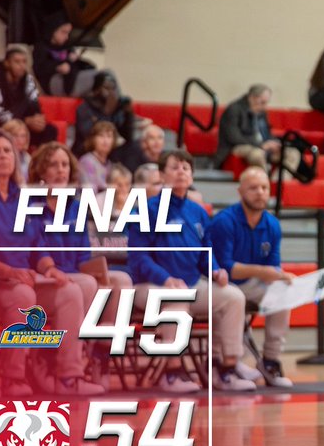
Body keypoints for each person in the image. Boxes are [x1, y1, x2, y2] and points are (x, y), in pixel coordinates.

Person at [0, 130, 99, 396]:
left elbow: (37, 246)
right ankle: (14, 377)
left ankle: (67, 375)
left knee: (69, 290)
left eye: (8, 151)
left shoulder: (23, 198)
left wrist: (49, 268)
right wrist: (9, 271)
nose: (3, 156)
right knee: (23, 295)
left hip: (27, 277)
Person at [128, 149, 253, 392]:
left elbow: (206, 250)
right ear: (163, 175)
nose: (181, 172)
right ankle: (172, 372)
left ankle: (224, 368)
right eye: (174, 167)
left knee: (234, 297)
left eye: (186, 168)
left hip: (191, 283)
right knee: (176, 301)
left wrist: (216, 270)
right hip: (149, 286)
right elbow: (138, 258)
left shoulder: (197, 212)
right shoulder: (146, 210)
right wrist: (165, 279)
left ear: (192, 176)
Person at [27, 141, 133, 393]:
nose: (60, 170)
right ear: (41, 171)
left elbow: (84, 253)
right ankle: (68, 369)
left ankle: (99, 353)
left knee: (121, 282)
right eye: (53, 164)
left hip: (73, 275)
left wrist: (99, 270)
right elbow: (34, 250)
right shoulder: (31, 205)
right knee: (85, 284)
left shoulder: (75, 206)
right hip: (41, 279)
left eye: (64, 164)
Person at [208, 167, 298, 388]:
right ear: (240, 191)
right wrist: (262, 272)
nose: (260, 192)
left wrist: (280, 276)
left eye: (265, 188)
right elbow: (226, 267)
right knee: (232, 296)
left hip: (250, 284)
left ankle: (270, 361)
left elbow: (273, 265)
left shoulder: (272, 224)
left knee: (282, 293)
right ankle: (224, 364)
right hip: (220, 283)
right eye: (254, 188)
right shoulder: (225, 221)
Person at [214, 84, 300, 173]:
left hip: (262, 145)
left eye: (266, 102)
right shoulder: (234, 109)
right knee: (257, 154)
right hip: (238, 146)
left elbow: (267, 133)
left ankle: (276, 184)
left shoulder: (262, 111)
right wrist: (261, 145)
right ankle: (263, 182)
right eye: (262, 102)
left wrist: (273, 143)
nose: (265, 106)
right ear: (252, 97)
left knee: (293, 154)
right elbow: (234, 137)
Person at [0, 45, 58, 147]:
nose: (22, 66)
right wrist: (25, 121)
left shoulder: (28, 80)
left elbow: (35, 104)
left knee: (50, 130)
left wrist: (37, 120)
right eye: (17, 62)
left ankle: (42, 160)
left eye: (24, 62)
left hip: (23, 123)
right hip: (3, 126)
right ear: (7, 63)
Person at [74, 72, 135, 159]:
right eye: (106, 88)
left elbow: (128, 137)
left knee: (133, 148)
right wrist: (107, 112)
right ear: (96, 90)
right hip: (86, 151)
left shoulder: (115, 107)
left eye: (113, 88)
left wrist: (128, 115)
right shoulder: (84, 108)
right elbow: (91, 136)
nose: (111, 92)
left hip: (110, 151)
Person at [33, 18, 95, 96]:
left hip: (71, 78)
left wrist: (75, 60)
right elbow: (39, 68)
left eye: (68, 33)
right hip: (53, 80)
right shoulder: (41, 46)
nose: (66, 37)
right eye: (63, 32)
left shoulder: (67, 47)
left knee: (101, 76)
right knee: (98, 77)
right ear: (53, 31)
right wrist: (57, 67)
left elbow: (71, 64)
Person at [78, 121, 116, 192]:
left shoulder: (110, 164)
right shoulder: (86, 161)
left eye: (109, 136)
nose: (105, 141)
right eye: (101, 136)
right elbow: (89, 191)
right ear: (93, 139)